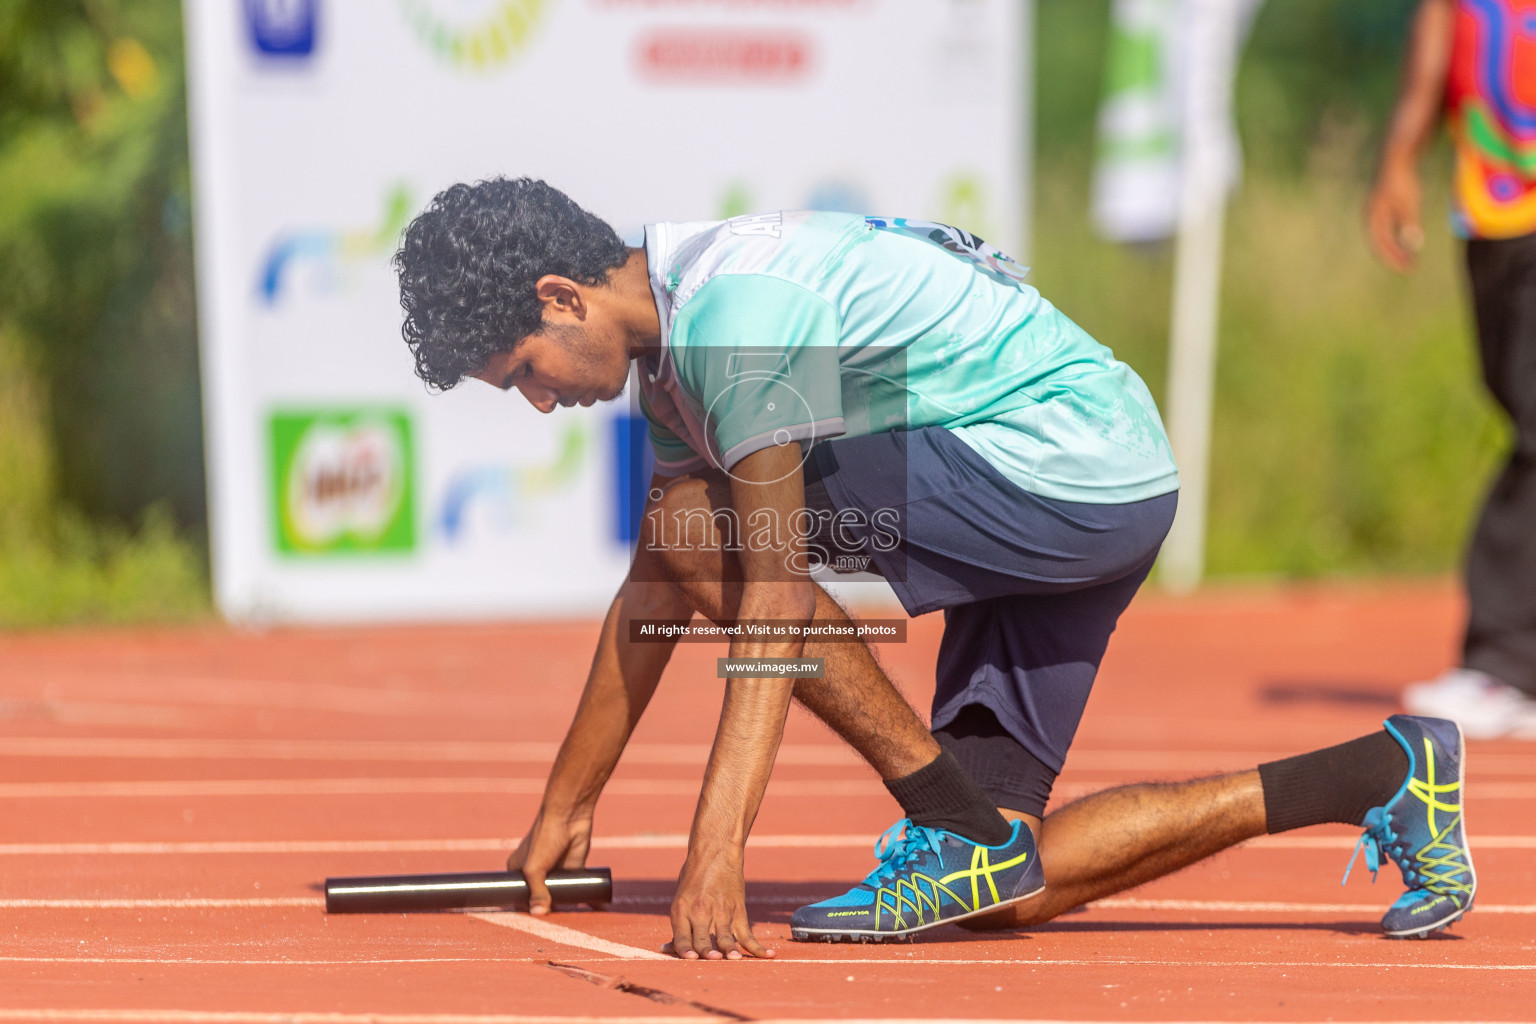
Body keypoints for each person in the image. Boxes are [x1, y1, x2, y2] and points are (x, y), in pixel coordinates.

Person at [394, 178, 1476, 959]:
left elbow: (767, 589)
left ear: (559, 295)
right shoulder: (675, 355)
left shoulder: (733, 318)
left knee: (704, 537)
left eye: (523, 373)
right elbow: (651, 594)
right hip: (1096, 480)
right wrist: (562, 810)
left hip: (1067, 473)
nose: (538, 402)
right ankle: (1382, 775)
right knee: (998, 886)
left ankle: (953, 817)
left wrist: (714, 849)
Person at [1369, 0, 1536, 738]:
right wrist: (1400, 157)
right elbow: (1437, 36)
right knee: (1516, 401)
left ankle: (1504, 662)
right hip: (1494, 214)